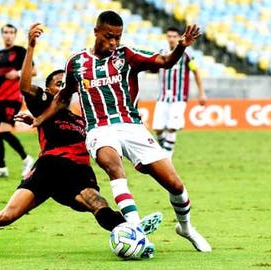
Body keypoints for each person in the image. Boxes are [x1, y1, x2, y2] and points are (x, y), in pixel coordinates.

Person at [0, 23, 159, 258]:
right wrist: (31, 46)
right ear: (48, 88)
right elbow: (25, 86)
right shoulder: (46, 103)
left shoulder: (86, 116)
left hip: (77, 172)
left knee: (98, 204)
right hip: (48, 169)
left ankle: (136, 234)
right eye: (57, 83)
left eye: (65, 84)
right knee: (6, 215)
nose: (62, 87)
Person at [34, 11, 211, 252]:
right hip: (98, 128)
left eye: (118, 37)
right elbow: (63, 98)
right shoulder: (76, 63)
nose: (114, 43)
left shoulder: (127, 56)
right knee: (113, 166)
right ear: (96, 32)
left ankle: (186, 228)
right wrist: (40, 119)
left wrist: (181, 47)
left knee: (175, 185)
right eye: (109, 37)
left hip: (132, 126)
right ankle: (136, 228)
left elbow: (166, 62)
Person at [0, 23, 35, 179]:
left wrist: (19, 73)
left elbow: (33, 71)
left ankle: (27, 159)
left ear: (15, 35)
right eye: (5, 32)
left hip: (13, 97)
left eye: (11, 32)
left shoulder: (20, 51)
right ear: (2, 34)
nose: (8, 35)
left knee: (5, 131)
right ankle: (2, 168)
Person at [152, 26, 207, 158]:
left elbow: (196, 71)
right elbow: (153, 69)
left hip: (179, 97)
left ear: (178, 37)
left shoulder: (187, 55)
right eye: (169, 36)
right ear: (166, 37)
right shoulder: (161, 53)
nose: (171, 39)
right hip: (163, 97)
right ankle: (164, 151)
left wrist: (201, 92)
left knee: (172, 126)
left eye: (174, 36)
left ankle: (167, 157)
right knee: (158, 129)